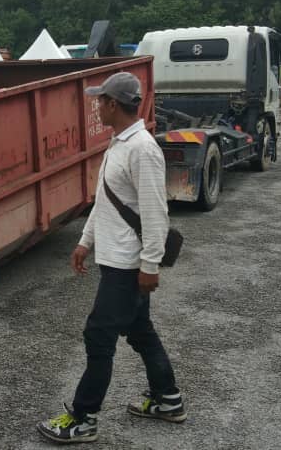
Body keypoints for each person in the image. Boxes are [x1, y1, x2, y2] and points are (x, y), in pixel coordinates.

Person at [37, 72, 184, 445]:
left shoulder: (142, 149)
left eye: (99, 101)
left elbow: (155, 213)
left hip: (127, 266)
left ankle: (83, 418)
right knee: (140, 331)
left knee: (98, 336)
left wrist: (149, 265)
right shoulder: (119, 143)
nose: (96, 107)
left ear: (113, 105)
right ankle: (168, 400)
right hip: (117, 259)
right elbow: (106, 201)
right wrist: (85, 241)